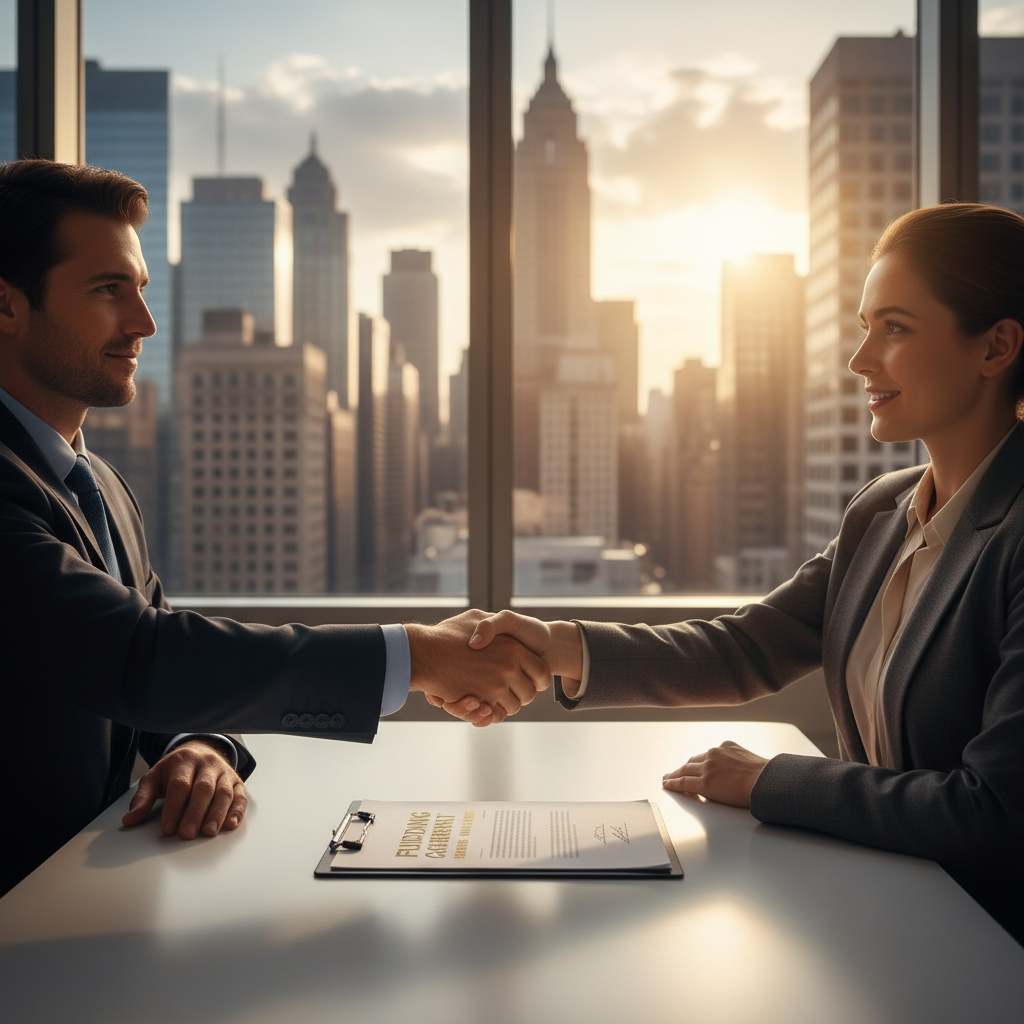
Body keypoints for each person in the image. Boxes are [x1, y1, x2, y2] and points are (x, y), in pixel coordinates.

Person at [463, 202, 1024, 943]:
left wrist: (769, 780)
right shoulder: (883, 511)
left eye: (895, 328)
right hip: (890, 909)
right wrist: (559, 645)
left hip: (988, 946)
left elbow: (993, 815)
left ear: (996, 347)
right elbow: (747, 647)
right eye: (863, 328)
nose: (860, 361)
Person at [0, 158, 539, 896]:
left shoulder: (98, 485)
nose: (145, 323)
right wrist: (418, 656)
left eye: (141, 290)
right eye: (107, 290)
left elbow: (150, 663)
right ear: (5, 305)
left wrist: (202, 741)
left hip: (73, 909)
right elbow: (141, 657)